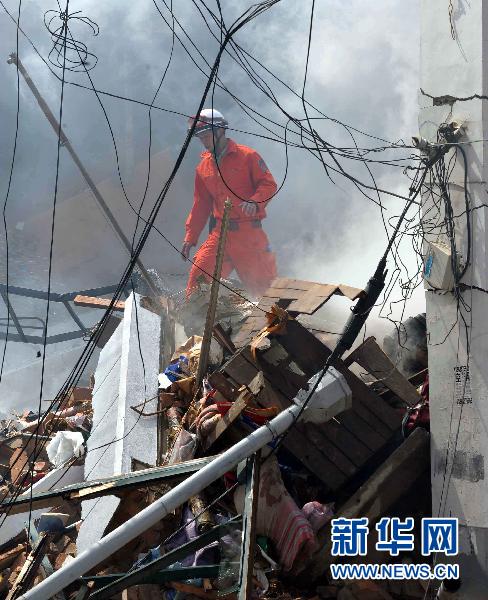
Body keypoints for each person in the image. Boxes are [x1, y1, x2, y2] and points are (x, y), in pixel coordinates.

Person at [181, 108, 278, 298]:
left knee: (265, 291)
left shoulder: (248, 156)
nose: (204, 141)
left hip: (249, 235)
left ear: (220, 131)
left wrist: (255, 201)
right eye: (201, 138)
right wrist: (190, 237)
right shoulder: (203, 167)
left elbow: (268, 184)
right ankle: (194, 317)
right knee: (198, 282)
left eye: (207, 136)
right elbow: (200, 205)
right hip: (220, 234)